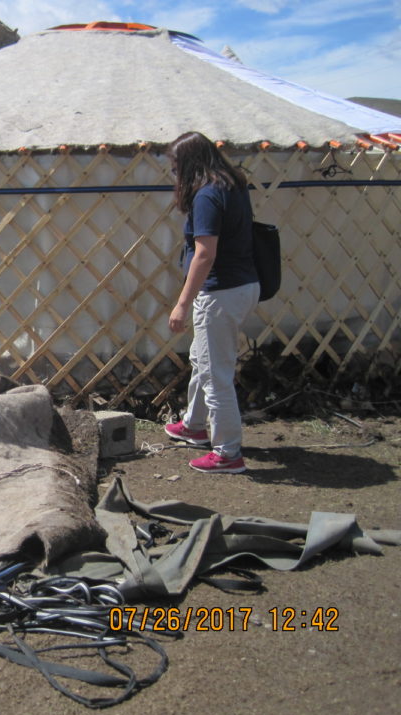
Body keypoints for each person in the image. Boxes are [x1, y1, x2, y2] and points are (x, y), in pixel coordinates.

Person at [164, 132, 260, 474]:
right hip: (244, 285)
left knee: (215, 373)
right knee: (202, 359)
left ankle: (227, 452)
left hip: (219, 292)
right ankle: (194, 423)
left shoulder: (206, 196)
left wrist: (182, 303)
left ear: (190, 164)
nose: (174, 175)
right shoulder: (232, 185)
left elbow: (204, 255)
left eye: (176, 168)